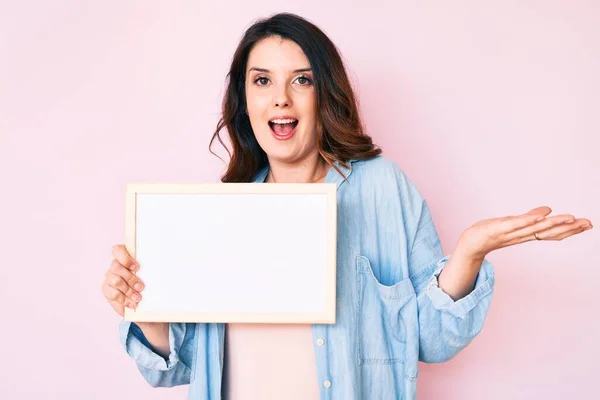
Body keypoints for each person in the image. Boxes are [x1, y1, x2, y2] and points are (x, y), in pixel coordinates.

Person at [101, 12, 593, 400]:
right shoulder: (218, 213)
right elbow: (179, 369)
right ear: (243, 100)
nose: (281, 99)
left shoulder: (383, 187)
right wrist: (145, 307)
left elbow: (430, 340)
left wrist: (469, 252)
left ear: (324, 93)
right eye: (262, 81)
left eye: (302, 80)